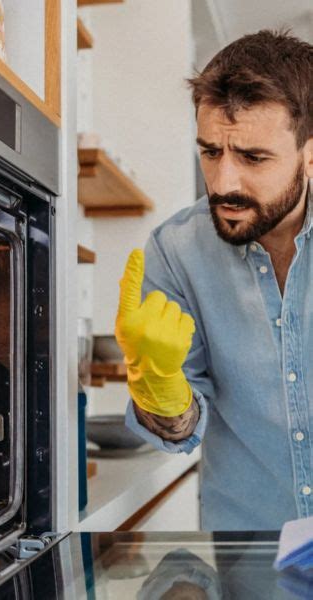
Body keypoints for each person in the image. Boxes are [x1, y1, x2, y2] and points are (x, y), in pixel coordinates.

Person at [115, 29, 313, 531]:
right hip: (248, 553)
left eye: (253, 157)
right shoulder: (176, 250)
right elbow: (183, 426)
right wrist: (162, 392)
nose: (224, 182)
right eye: (209, 152)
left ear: (309, 156)